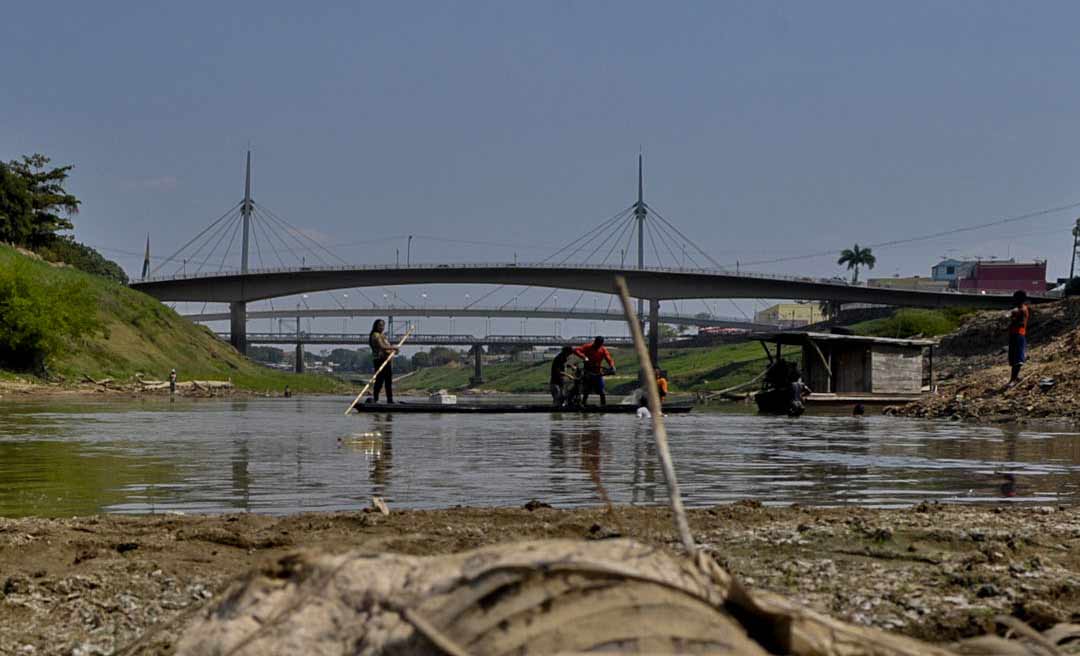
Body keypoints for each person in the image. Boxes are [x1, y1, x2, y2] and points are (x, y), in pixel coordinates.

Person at [574, 336, 616, 406]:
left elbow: (609, 359)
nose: (598, 346)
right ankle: (583, 404)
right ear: (595, 342)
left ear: (602, 344)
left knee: (602, 392)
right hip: (588, 372)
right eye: (597, 344)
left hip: (598, 373)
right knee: (586, 391)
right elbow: (576, 350)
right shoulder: (587, 346)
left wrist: (612, 366)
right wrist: (584, 357)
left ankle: (603, 406)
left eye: (600, 344)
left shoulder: (603, 349)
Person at [368, 319, 398, 403]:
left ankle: (390, 400)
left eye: (383, 325)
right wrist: (393, 348)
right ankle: (376, 399)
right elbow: (382, 346)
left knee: (388, 381)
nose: (382, 327)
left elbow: (388, 347)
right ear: (376, 326)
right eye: (380, 325)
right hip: (379, 360)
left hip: (387, 360)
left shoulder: (383, 336)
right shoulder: (375, 335)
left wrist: (394, 351)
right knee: (379, 380)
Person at [1007, 290, 1030, 387]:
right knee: (1013, 358)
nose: (1013, 300)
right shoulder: (1018, 309)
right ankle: (1015, 377)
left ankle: (1013, 380)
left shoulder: (1022, 309)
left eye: (1015, 298)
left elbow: (1021, 322)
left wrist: (1013, 319)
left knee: (1018, 358)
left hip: (1019, 335)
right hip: (1014, 335)